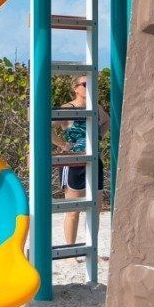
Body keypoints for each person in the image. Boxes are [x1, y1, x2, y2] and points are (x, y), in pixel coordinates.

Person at [53, 76, 101, 250]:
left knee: (94, 210)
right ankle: (70, 250)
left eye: (92, 83)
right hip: (73, 163)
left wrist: (97, 139)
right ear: (75, 88)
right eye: (85, 84)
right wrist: (63, 144)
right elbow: (46, 127)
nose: (89, 87)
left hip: (94, 161)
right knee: (73, 211)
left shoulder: (96, 107)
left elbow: (106, 121)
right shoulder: (68, 108)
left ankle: (92, 248)